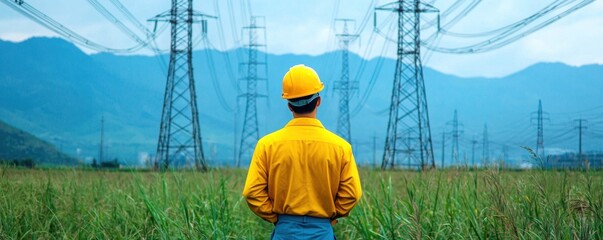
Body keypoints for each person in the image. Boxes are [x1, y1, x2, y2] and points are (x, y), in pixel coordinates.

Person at [242, 64, 362, 239]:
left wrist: (276, 218)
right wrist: (331, 217)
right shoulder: (341, 147)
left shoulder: (267, 145)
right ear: (318, 101)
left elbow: (252, 192)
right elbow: (352, 194)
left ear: (289, 106)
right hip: (322, 232)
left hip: (284, 231)